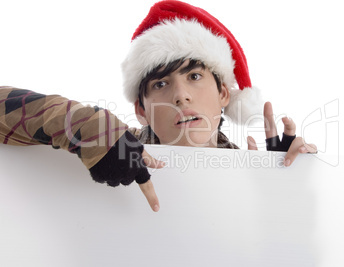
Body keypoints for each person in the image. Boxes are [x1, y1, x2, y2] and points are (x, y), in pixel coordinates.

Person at [0, 1, 316, 212]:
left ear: (223, 94)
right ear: (141, 109)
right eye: (161, 84)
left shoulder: (250, 179)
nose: (180, 96)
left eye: (194, 76)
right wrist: (91, 131)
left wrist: (287, 191)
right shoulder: (112, 149)